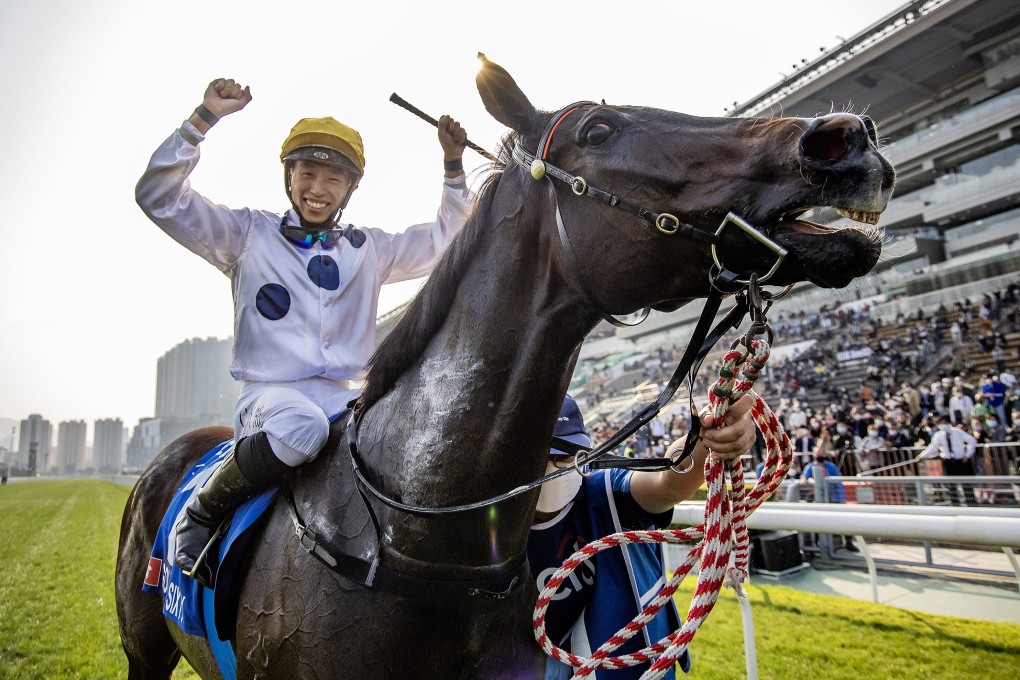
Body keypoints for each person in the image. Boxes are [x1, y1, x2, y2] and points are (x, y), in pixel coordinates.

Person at [136, 78, 473, 583]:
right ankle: (203, 511)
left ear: (351, 188)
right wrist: (202, 120)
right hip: (273, 401)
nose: (318, 189)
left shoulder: (369, 249)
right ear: (288, 178)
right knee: (304, 429)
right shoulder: (245, 234)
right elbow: (158, 195)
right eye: (307, 173)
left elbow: (449, 239)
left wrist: (452, 168)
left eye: (333, 179)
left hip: (350, 402)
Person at [529, 394, 757, 679]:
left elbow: (665, 481)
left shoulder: (606, 491)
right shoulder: (485, 526)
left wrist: (708, 437)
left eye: (565, 457)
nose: (553, 469)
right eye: (539, 459)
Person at [917, 416, 978, 506]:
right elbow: (932, 447)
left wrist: (967, 455)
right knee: (951, 485)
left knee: (966, 484)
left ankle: (972, 504)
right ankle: (955, 504)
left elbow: (972, 441)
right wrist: (922, 455)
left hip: (960, 461)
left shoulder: (957, 431)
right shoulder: (939, 435)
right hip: (948, 461)